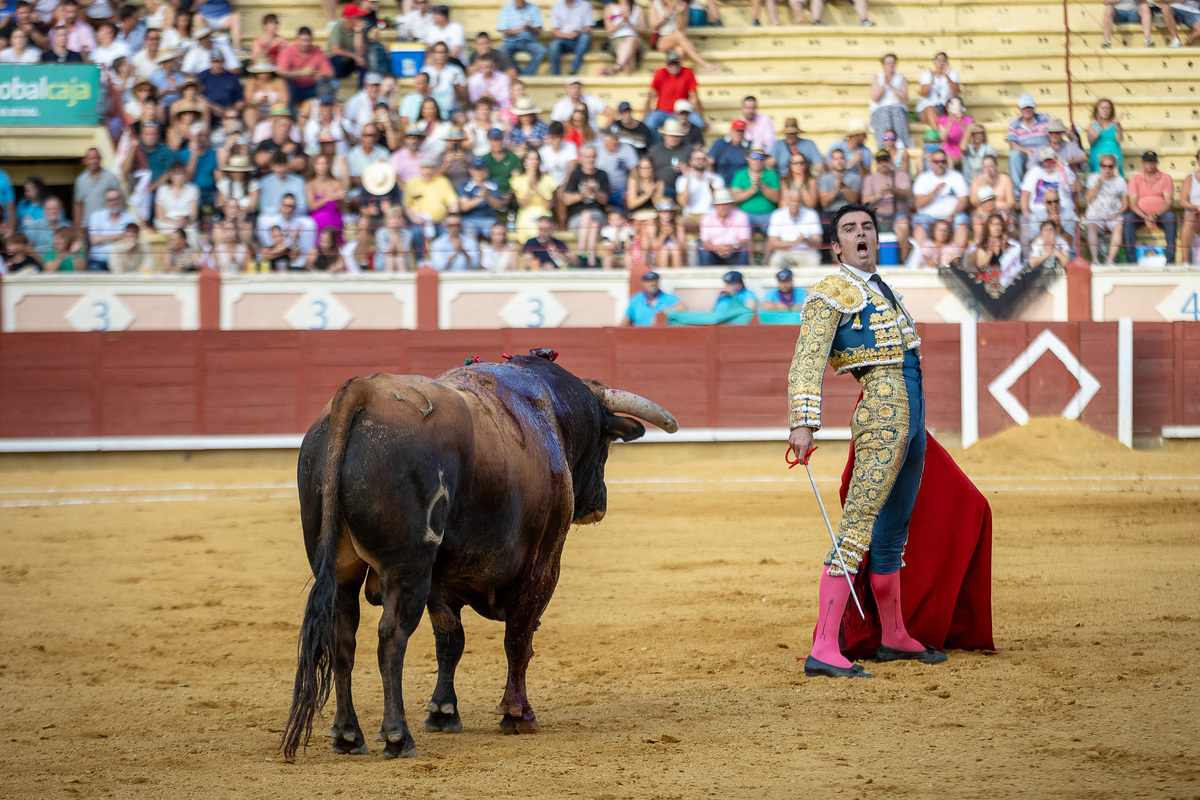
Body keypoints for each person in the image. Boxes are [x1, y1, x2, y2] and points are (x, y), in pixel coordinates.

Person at [787, 201, 944, 680]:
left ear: (878, 238)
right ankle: (823, 648)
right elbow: (808, 357)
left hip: (911, 413)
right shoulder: (832, 289)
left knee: (893, 531)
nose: (862, 234)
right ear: (837, 246)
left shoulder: (881, 288)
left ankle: (894, 636)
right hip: (881, 410)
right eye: (851, 229)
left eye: (868, 227)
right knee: (857, 526)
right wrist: (803, 421)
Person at [1123, 150, 1177, 263]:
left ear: (1157, 162)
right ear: (1142, 163)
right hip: (1140, 215)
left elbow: (1169, 202)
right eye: (1147, 162)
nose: (1150, 164)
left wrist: (1156, 215)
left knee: (1171, 217)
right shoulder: (1135, 178)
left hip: (1160, 215)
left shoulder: (1165, 177)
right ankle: (1131, 259)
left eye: (1152, 161)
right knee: (1128, 218)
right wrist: (1145, 216)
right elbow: (1132, 204)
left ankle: (1171, 259)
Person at [1019, 146, 1077, 250]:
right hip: (1037, 215)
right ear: (1041, 162)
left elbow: (1077, 187)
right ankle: (1028, 259)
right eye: (1046, 161)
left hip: (1064, 213)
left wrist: (1063, 168)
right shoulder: (1035, 171)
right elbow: (1024, 193)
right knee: (1025, 226)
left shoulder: (1063, 169)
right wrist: (1026, 213)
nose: (1049, 164)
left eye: (1052, 161)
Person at [911, 148, 970, 248]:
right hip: (927, 216)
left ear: (946, 162)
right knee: (919, 224)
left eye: (943, 161)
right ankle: (927, 259)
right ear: (931, 163)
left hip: (953, 215)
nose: (940, 164)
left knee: (962, 221)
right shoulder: (923, 178)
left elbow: (964, 200)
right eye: (936, 162)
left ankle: (955, 258)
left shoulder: (956, 176)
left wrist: (952, 214)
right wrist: (935, 192)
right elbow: (918, 203)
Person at [562, 144, 610, 268]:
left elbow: (605, 200)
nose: (590, 160)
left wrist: (595, 192)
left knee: (588, 216)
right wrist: (583, 194)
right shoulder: (576, 175)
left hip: (597, 215)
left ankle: (580, 254)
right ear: (582, 158)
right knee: (591, 222)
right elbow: (566, 200)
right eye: (587, 157)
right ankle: (591, 259)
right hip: (578, 220)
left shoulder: (602, 175)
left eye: (592, 157)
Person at [862, 149, 912, 258]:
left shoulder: (901, 175)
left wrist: (893, 190)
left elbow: (907, 193)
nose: (883, 163)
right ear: (876, 163)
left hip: (898, 214)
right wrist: (879, 195)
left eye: (886, 160)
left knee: (903, 225)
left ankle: (904, 262)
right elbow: (865, 200)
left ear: (890, 161)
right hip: (876, 215)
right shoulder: (870, 178)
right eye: (880, 161)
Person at [731, 143, 781, 253]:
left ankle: (766, 263)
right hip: (746, 214)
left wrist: (762, 186)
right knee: (743, 232)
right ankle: (750, 261)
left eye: (761, 157)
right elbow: (735, 197)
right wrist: (752, 190)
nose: (757, 160)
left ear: (764, 160)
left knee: (775, 232)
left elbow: (777, 198)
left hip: (768, 214)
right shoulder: (740, 174)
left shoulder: (772, 175)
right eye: (754, 156)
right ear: (748, 158)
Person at [643, 49, 705, 135]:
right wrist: (645, 117)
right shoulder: (660, 73)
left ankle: (687, 146)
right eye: (671, 64)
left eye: (676, 63)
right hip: (662, 112)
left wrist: (700, 117)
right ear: (666, 64)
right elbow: (650, 97)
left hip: (683, 112)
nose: (674, 66)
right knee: (649, 124)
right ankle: (657, 146)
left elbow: (695, 97)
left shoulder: (687, 72)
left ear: (680, 63)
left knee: (699, 124)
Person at [647, 0, 718, 73]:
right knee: (680, 36)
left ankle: (669, 74)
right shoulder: (656, 3)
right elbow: (653, 25)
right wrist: (665, 15)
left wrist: (680, 13)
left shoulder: (682, 3)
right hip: (661, 39)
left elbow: (682, 28)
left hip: (678, 39)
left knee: (680, 50)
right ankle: (703, 63)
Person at [1083, 155, 1128, 264]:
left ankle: (1110, 259)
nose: (1107, 169)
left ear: (1114, 167)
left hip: (1113, 214)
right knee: (1091, 227)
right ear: (1100, 166)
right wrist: (1098, 184)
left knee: (1119, 227)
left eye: (1110, 166)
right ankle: (1095, 259)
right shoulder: (1093, 178)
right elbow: (1088, 199)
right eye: (1104, 166)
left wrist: (1118, 213)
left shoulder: (1120, 181)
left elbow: (1125, 203)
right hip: (1096, 213)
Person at [276, 28, 334, 109]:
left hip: (312, 87)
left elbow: (331, 73)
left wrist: (322, 75)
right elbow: (280, 72)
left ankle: (324, 116)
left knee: (326, 84)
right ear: (297, 40)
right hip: (293, 87)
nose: (305, 44)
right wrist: (301, 73)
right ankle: (290, 118)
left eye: (308, 41)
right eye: (302, 40)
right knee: (284, 84)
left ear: (311, 41)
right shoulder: (287, 51)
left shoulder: (318, 51)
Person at [256, 193, 317, 268]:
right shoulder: (269, 223)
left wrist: (295, 241)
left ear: (295, 208)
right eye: (285, 205)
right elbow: (267, 251)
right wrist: (292, 239)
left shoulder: (303, 223)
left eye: (291, 206)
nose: (288, 209)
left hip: (294, 262)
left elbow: (299, 251)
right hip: (273, 262)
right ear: (280, 206)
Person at [767, 188, 822, 268]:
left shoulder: (811, 214)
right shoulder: (777, 215)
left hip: (807, 252)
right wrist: (794, 243)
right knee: (776, 261)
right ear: (787, 201)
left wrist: (806, 240)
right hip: (784, 253)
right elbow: (773, 243)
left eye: (798, 201)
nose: (796, 204)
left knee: (814, 261)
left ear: (802, 201)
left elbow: (818, 242)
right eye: (793, 201)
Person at [1006, 93, 1051, 190]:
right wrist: (1026, 151)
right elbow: (1012, 144)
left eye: (1030, 107)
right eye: (1024, 107)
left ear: (1034, 107)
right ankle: (1017, 190)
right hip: (1026, 155)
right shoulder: (1014, 124)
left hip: (1043, 154)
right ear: (1019, 108)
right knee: (1014, 155)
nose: (1027, 110)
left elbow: (1057, 129)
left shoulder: (1045, 119)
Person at [87, 189, 139, 271]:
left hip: (122, 261)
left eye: (116, 199)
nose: (114, 202)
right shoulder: (96, 215)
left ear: (121, 199)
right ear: (105, 202)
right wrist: (120, 236)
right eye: (110, 200)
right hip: (98, 261)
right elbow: (94, 239)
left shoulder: (130, 217)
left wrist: (103, 238)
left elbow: (132, 238)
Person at [698, 188, 750, 266]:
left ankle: (742, 274)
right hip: (714, 252)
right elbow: (705, 241)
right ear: (715, 206)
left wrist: (732, 247)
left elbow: (744, 239)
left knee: (743, 251)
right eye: (720, 204)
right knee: (704, 251)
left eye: (726, 204)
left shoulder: (741, 216)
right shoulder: (707, 218)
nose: (723, 207)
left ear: (731, 204)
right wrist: (717, 248)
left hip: (734, 251)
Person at [511, 149, 558, 237]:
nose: (533, 162)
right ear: (525, 161)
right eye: (530, 159)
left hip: (543, 214)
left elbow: (548, 206)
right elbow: (523, 205)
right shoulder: (518, 180)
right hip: (526, 215)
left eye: (536, 159)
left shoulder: (547, 179)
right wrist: (529, 188)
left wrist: (537, 190)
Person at [869, 53, 910, 149]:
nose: (891, 65)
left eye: (893, 63)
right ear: (883, 65)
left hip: (897, 109)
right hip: (880, 109)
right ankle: (883, 144)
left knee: (896, 111)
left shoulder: (901, 78)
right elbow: (875, 97)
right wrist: (884, 84)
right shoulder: (877, 77)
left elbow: (904, 99)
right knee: (885, 112)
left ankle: (900, 144)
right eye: (888, 63)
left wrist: (891, 86)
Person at [676, 147, 724, 228]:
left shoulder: (716, 178)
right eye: (697, 159)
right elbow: (683, 202)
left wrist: (711, 187)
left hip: (710, 216)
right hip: (691, 216)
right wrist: (688, 180)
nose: (700, 161)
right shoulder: (682, 179)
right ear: (690, 162)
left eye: (703, 159)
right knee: (679, 221)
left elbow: (720, 202)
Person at [496, 0, 547, 76]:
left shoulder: (534, 8)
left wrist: (529, 28)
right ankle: (518, 74)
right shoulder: (506, 8)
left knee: (542, 50)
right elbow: (504, 31)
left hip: (529, 41)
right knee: (502, 52)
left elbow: (539, 31)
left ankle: (527, 75)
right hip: (511, 41)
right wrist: (520, 30)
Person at [458, 157, 505, 237]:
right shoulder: (465, 184)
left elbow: (498, 205)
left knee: (496, 236)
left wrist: (487, 196)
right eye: (476, 170)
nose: (479, 172)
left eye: (482, 170)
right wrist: (480, 198)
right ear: (471, 171)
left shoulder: (493, 184)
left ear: (486, 171)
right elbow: (464, 207)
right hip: (470, 219)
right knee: (469, 237)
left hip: (489, 218)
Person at [595, 126, 639, 208]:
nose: (616, 141)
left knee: (627, 197)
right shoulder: (596, 148)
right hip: (601, 190)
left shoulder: (627, 149)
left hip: (621, 190)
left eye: (617, 138)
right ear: (605, 138)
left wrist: (631, 189)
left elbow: (634, 172)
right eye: (613, 138)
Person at [647, 118, 690, 200]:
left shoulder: (689, 150)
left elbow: (698, 168)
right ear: (664, 135)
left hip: (683, 189)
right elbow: (646, 169)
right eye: (671, 135)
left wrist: (686, 169)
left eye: (677, 136)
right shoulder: (655, 150)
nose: (674, 138)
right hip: (662, 189)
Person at [548, 0, 593, 76]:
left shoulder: (585, 5)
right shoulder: (556, 6)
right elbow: (555, 32)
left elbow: (589, 29)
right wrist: (568, 35)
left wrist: (579, 32)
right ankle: (556, 75)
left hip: (579, 38)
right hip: (563, 39)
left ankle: (574, 68)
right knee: (553, 45)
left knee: (585, 37)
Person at [600, 0, 645, 76]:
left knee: (631, 40)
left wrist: (630, 23)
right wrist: (622, 21)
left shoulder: (637, 8)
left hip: (634, 39)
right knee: (629, 53)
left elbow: (644, 30)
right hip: (617, 39)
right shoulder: (610, 7)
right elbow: (609, 31)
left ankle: (616, 68)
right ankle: (629, 79)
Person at [422, 42, 467, 116]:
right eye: (438, 52)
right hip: (431, 111)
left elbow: (463, 98)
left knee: (461, 119)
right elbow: (421, 94)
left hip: (452, 110)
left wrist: (456, 86)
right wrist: (434, 86)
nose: (441, 55)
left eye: (443, 52)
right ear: (432, 54)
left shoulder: (456, 71)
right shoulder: (426, 71)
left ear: (447, 53)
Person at [1088, 98, 1125, 175]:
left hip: (1114, 155)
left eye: (1107, 108)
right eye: (1102, 108)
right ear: (1097, 110)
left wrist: (1117, 125)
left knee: (1114, 167)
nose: (1105, 110)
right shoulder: (1092, 125)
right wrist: (1098, 129)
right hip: (1098, 155)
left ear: (1111, 110)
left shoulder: (1116, 125)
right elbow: (1091, 142)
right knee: (1102, 165)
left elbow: (1119, 140)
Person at [708, 118, 749, 187]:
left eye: (741, 131)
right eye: (737, 131)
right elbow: (709, 162)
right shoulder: (720, 143)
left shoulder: (748, 146)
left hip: (742, 186)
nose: (739, 133)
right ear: (731, 131)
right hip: (722, 183)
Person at [1181, 149, 1200, 264]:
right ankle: (1185, 262)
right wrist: (1196, 207)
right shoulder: (1190, 178)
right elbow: (1183, 202)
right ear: (1198, 161)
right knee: (1189, 220)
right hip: (1194, 213)